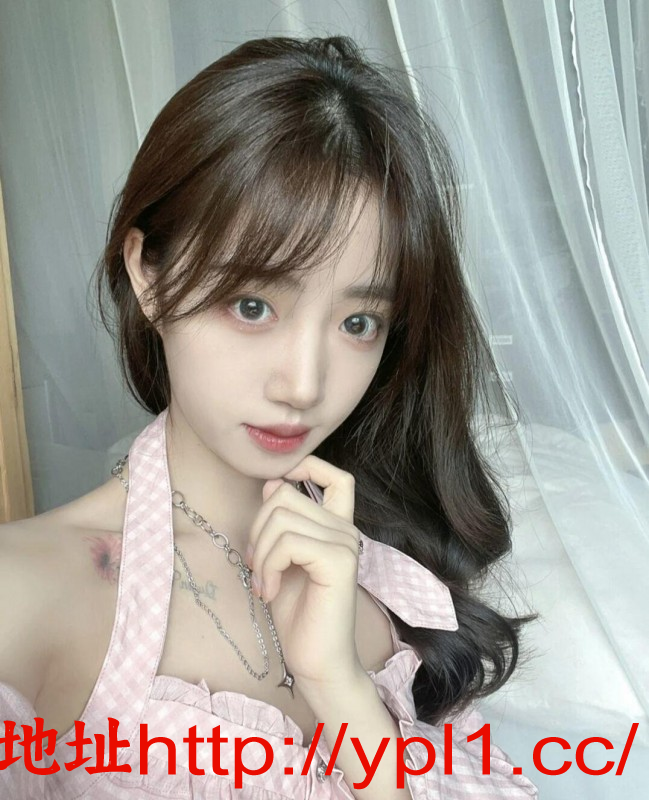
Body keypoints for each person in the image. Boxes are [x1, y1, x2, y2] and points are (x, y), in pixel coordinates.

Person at [0, 35, 539, 798]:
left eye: (358, 323)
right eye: (252, 306)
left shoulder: (388, 577)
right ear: (147, 274)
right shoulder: (23, 593)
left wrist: (336, 684)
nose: (304, 384)